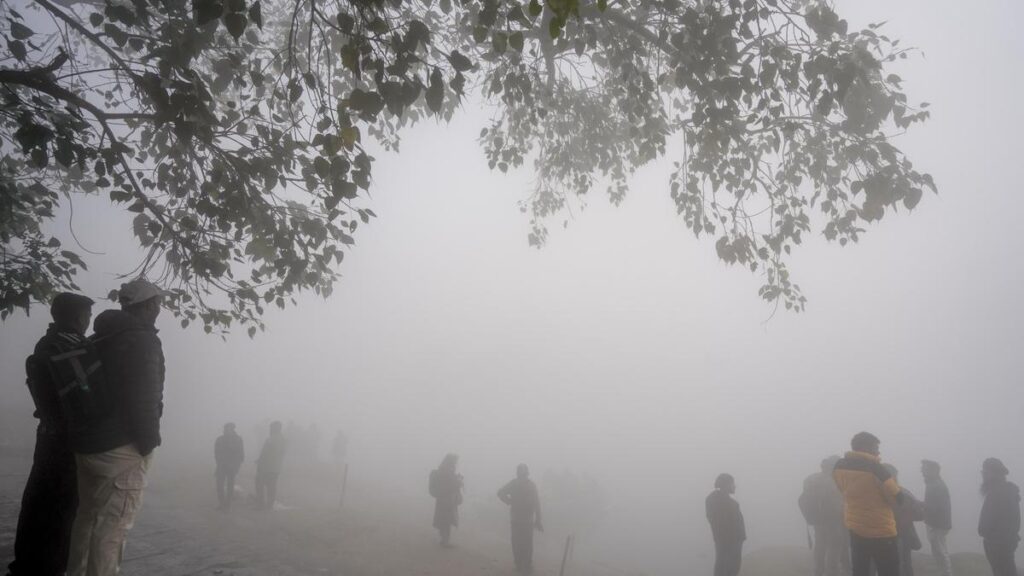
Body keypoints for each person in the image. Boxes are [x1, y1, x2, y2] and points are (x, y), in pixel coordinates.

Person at [66, 279, 166, 576]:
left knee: (87, 519)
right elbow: (145, 398)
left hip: (89, 444)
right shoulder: (142, 340)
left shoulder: (101, 337)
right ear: (147, 305)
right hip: (121, 448)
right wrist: (149, 443)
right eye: (157, 303)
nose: (159, 309)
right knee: (112, 529)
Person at [6, 293, 94, 576]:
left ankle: (26, 564)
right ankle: (49, 567)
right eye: (87, 316)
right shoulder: (72, 347)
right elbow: (87, 394)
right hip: (68, 440)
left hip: (47, 436)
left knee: (37, 502)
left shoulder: (45, 343)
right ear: (79, 317)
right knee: (62, 508)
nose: (88, 321)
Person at [833, 432, 904, 576]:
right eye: (875, 448)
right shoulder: (877, 469)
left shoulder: (838, 466)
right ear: (865, 447)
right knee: (889, 571)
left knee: (861, 570)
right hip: (882, 531)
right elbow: (898, 499)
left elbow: (842, 489)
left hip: (856, 528)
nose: (878, 452)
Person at [800, 455, 850, 576]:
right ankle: (833, 571)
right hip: (835, 520)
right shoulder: (835, 480)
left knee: (820, 545)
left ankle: (818, 570)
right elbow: (841, 502)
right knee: (835, 546)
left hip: (818, 520)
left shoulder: (812, 479)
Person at [498, 463, 544, 574]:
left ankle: (524, 564)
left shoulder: (522, 484)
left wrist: (538, 519)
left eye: (523, 474)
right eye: (521, 474)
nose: (523, 476)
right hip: (521, 519)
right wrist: (509, 501)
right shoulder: (527, 485)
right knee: (521, 542)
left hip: (523, 519)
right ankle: (522, 564)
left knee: (521, 542)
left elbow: (536, 503)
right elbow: (500, 493)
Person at [978, 458, 1020, 576]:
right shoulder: (1004, 491)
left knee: (1004, 572)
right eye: (983, 472)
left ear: (995, 474)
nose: (983, 476)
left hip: (999, 546)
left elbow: (1009, 523)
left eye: (985, 473)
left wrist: (993, 540)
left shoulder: (999, 493)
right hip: (1000, 544)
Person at [883, 464, 923, 576]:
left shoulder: (876, 494)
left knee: (897, 564)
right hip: (902, 534)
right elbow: (920, 514)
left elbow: (919, 514)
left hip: (889, 535)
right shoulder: (904, 492)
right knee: (904, 563)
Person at [706, 473, 745, 576]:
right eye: (732, 483)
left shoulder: (715, 500)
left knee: (725, 566)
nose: (734, 486)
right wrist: (735, 538)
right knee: (727, 568)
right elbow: (721, 522)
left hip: (730, 542)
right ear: (726, 485)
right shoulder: (726, 503)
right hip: (730, 543)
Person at [921, 460, 952, 576]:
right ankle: (942, 572)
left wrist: (921, 505)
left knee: (940, 551)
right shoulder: (932, 483)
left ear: (933, 470)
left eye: (925, 469)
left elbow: (937, 507)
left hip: (937, 524)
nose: (922, 472)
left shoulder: (936, 485)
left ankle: (946, 573)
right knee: (937, 550)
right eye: (922, 469)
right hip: (934, 522)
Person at [429, 453, 464, 547]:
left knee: (444, 519)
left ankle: (444, 539)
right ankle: (445, 541)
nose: (456, 463)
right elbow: (450, 485)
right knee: (447, 520)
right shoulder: (448, 470)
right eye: (455, 461)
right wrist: (459, 482)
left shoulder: (443, 469)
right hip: (447, 500)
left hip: (443, 499)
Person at [255, 420, 287, 510]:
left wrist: (259, 461)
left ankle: (260, 504)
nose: (270, 429)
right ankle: (269, 505)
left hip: (266, 467)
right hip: (276, 467)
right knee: (272, 487)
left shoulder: (270, 439)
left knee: (259, 484)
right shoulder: (283, 440)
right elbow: (282, 453)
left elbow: (265, 453)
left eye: (271, 427)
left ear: (274, 428)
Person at [214, 423, 245, 510]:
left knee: (230, 486)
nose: (225, 430)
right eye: (225, 428)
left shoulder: (238, 440)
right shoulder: (219, 439)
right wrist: (218, 464)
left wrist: (236, 466)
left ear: (232, 429)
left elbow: (241, 455)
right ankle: (222, 504)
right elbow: (216, 453)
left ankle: (227, 505)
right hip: (221, 466)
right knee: (219, 486)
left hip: (231, 467)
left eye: (228, 428)